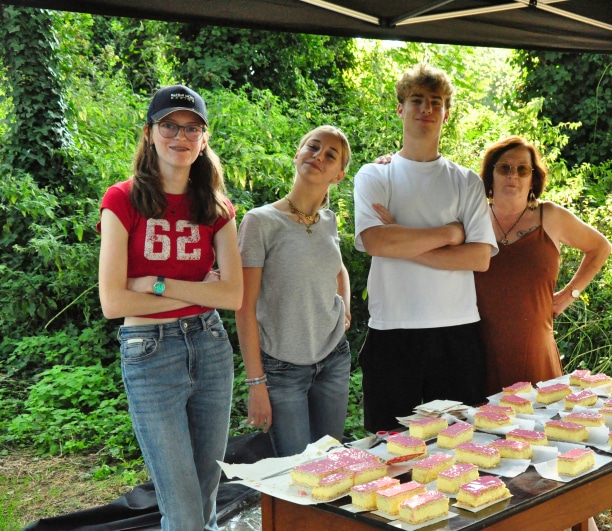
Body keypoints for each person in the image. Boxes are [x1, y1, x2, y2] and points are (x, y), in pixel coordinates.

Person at [97, 84, 243, 530]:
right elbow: (113, 301)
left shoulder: (217, 207)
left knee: (206, 498)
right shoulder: (121, 200)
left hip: (210, 344)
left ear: (204, 138)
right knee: (182, 510)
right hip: (149, 352)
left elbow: (233, 297)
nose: (181, 136)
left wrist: (157, 285)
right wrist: (200, 289)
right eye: (169, 126)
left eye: (192, 128)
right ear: (149, 133)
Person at [354, 63, 498, 433]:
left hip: (456, 331)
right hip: (391, 331)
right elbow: (375, 241)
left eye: (435, 102)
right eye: (416, 100)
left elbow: (479, 257)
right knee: (389, 447)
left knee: (460, 444)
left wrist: (402, 242)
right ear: (400, 109)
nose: (426, 108)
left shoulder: (466, 181)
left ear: (446, 114)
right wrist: (450, 233)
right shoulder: (375, 174)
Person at [235, 125, 352, 457]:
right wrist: (256, 384)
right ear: (298, 154)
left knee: (331, 461)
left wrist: (345, 307)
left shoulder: (328, 220)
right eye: (312, 147)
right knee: (295, 470)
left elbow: (339, 268)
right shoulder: (260, 222)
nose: (318, 156)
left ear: (339, 175)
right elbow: (244, 308)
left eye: (330, 155)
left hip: (333, 359)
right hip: (282, 370)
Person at [474, 135, 611, 393]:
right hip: (478, 352)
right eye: (504, 167)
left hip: (534, 352)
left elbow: (600, 247)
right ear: (490, 175)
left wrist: (569, 294)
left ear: (533, 179)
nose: (512, 175)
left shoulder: (550, 216)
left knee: (540, 416)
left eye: (522, 169)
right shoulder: (473, 217)